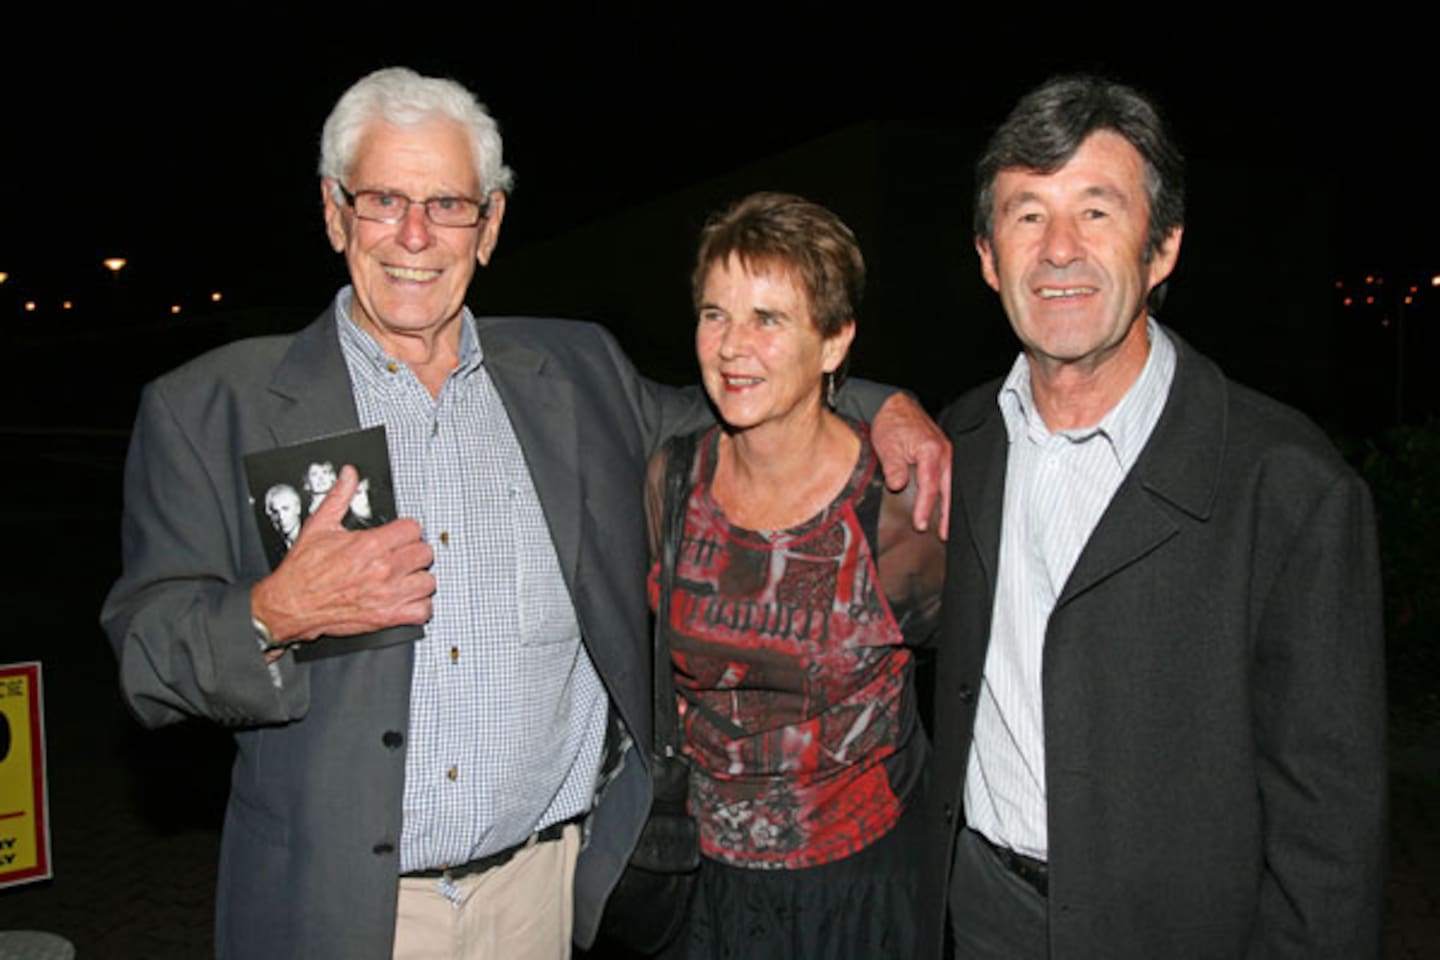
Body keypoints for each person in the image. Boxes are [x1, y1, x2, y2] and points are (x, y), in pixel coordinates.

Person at [100, 67, 948, 960]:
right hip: (348, 914)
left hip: (545, 896)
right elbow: (147, 656)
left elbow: (744, 402)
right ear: (334, 211)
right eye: (384, 199)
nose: (415, 236)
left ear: (491, 225)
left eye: (449, 204)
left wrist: (881, 403)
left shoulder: (574, 373)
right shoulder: (212, 406)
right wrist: (273, 613)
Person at [922, 75, 1386, 959]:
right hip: (981, 916)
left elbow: (1331, 835)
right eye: (1027, 215)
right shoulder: (963, 441)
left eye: (1097, 212)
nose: (1059, 250)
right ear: (987, 257)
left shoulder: (1287, 485)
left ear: (1163, 245)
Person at [645, 193, 945, 959]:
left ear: (836, 340)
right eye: (716, 314)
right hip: (704, 888)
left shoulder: (898, 506)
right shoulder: (671, 482)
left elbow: (975, 678)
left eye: (768, 319)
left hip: (862, 890)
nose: (733, 346)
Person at [263, 483, 303, 547]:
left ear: (298, 509)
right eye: (275, 512)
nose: (281, 517)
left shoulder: (315, 537)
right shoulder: (269, 547)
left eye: (285, 509)